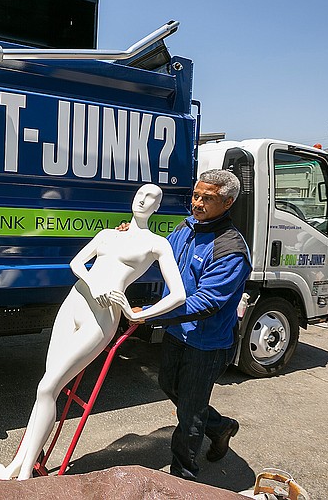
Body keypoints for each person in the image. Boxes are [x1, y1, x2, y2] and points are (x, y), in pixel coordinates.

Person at [0, 183, 186, 482]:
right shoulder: (108, 234)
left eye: (151, 197)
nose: (142, 199)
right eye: (140, 193)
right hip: (75, 301)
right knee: (45, 386)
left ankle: (24, 475)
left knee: (48, 387)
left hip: (101, 317)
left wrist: (135, 314)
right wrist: (95, 282)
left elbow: (178, 294)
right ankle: (20, 463)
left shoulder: (157, 244)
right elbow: (77, 262)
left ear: (157, 207)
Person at [115, 169, 252, 481]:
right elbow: (160, 252)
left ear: (228, 202)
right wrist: (133, 236)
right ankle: (221, 427)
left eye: (208, 198)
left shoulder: (230, 249)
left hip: (208, 343)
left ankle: (182, 477)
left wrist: (149, 313)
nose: (198, 203)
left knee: (189, 414)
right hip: (178, 333)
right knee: (169, 385)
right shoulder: (186, 228)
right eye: (196, 195)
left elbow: (207, 302)